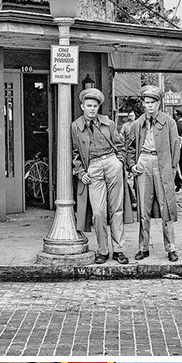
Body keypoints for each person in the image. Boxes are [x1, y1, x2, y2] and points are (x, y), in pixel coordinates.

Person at [71, 87, 130, 265]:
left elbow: (120, 145)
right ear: (82, 107)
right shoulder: (76, 126)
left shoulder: (108, 123)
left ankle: (119, 250)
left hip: (112, 163)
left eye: (95, 106)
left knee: (117, 209)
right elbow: (74, 152)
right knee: (98, 212)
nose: (92, 109)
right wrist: (80, 172)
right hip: (93, 167)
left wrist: (119, 162)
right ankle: (103, 250)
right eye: (89, 105)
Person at [127, 85, 181, 263]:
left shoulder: (169, 122)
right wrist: (132, 165)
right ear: (143, 103)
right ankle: (143, 247)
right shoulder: (137, 123)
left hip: (161, 164)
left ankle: (171, 247)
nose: (149, 106)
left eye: (153, 102)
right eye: (146, 102)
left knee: (166, 207)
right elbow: (129, 148)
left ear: (159, 103)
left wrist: (172, 170)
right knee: (143, 208)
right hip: (143, 162)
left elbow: (175, 147)